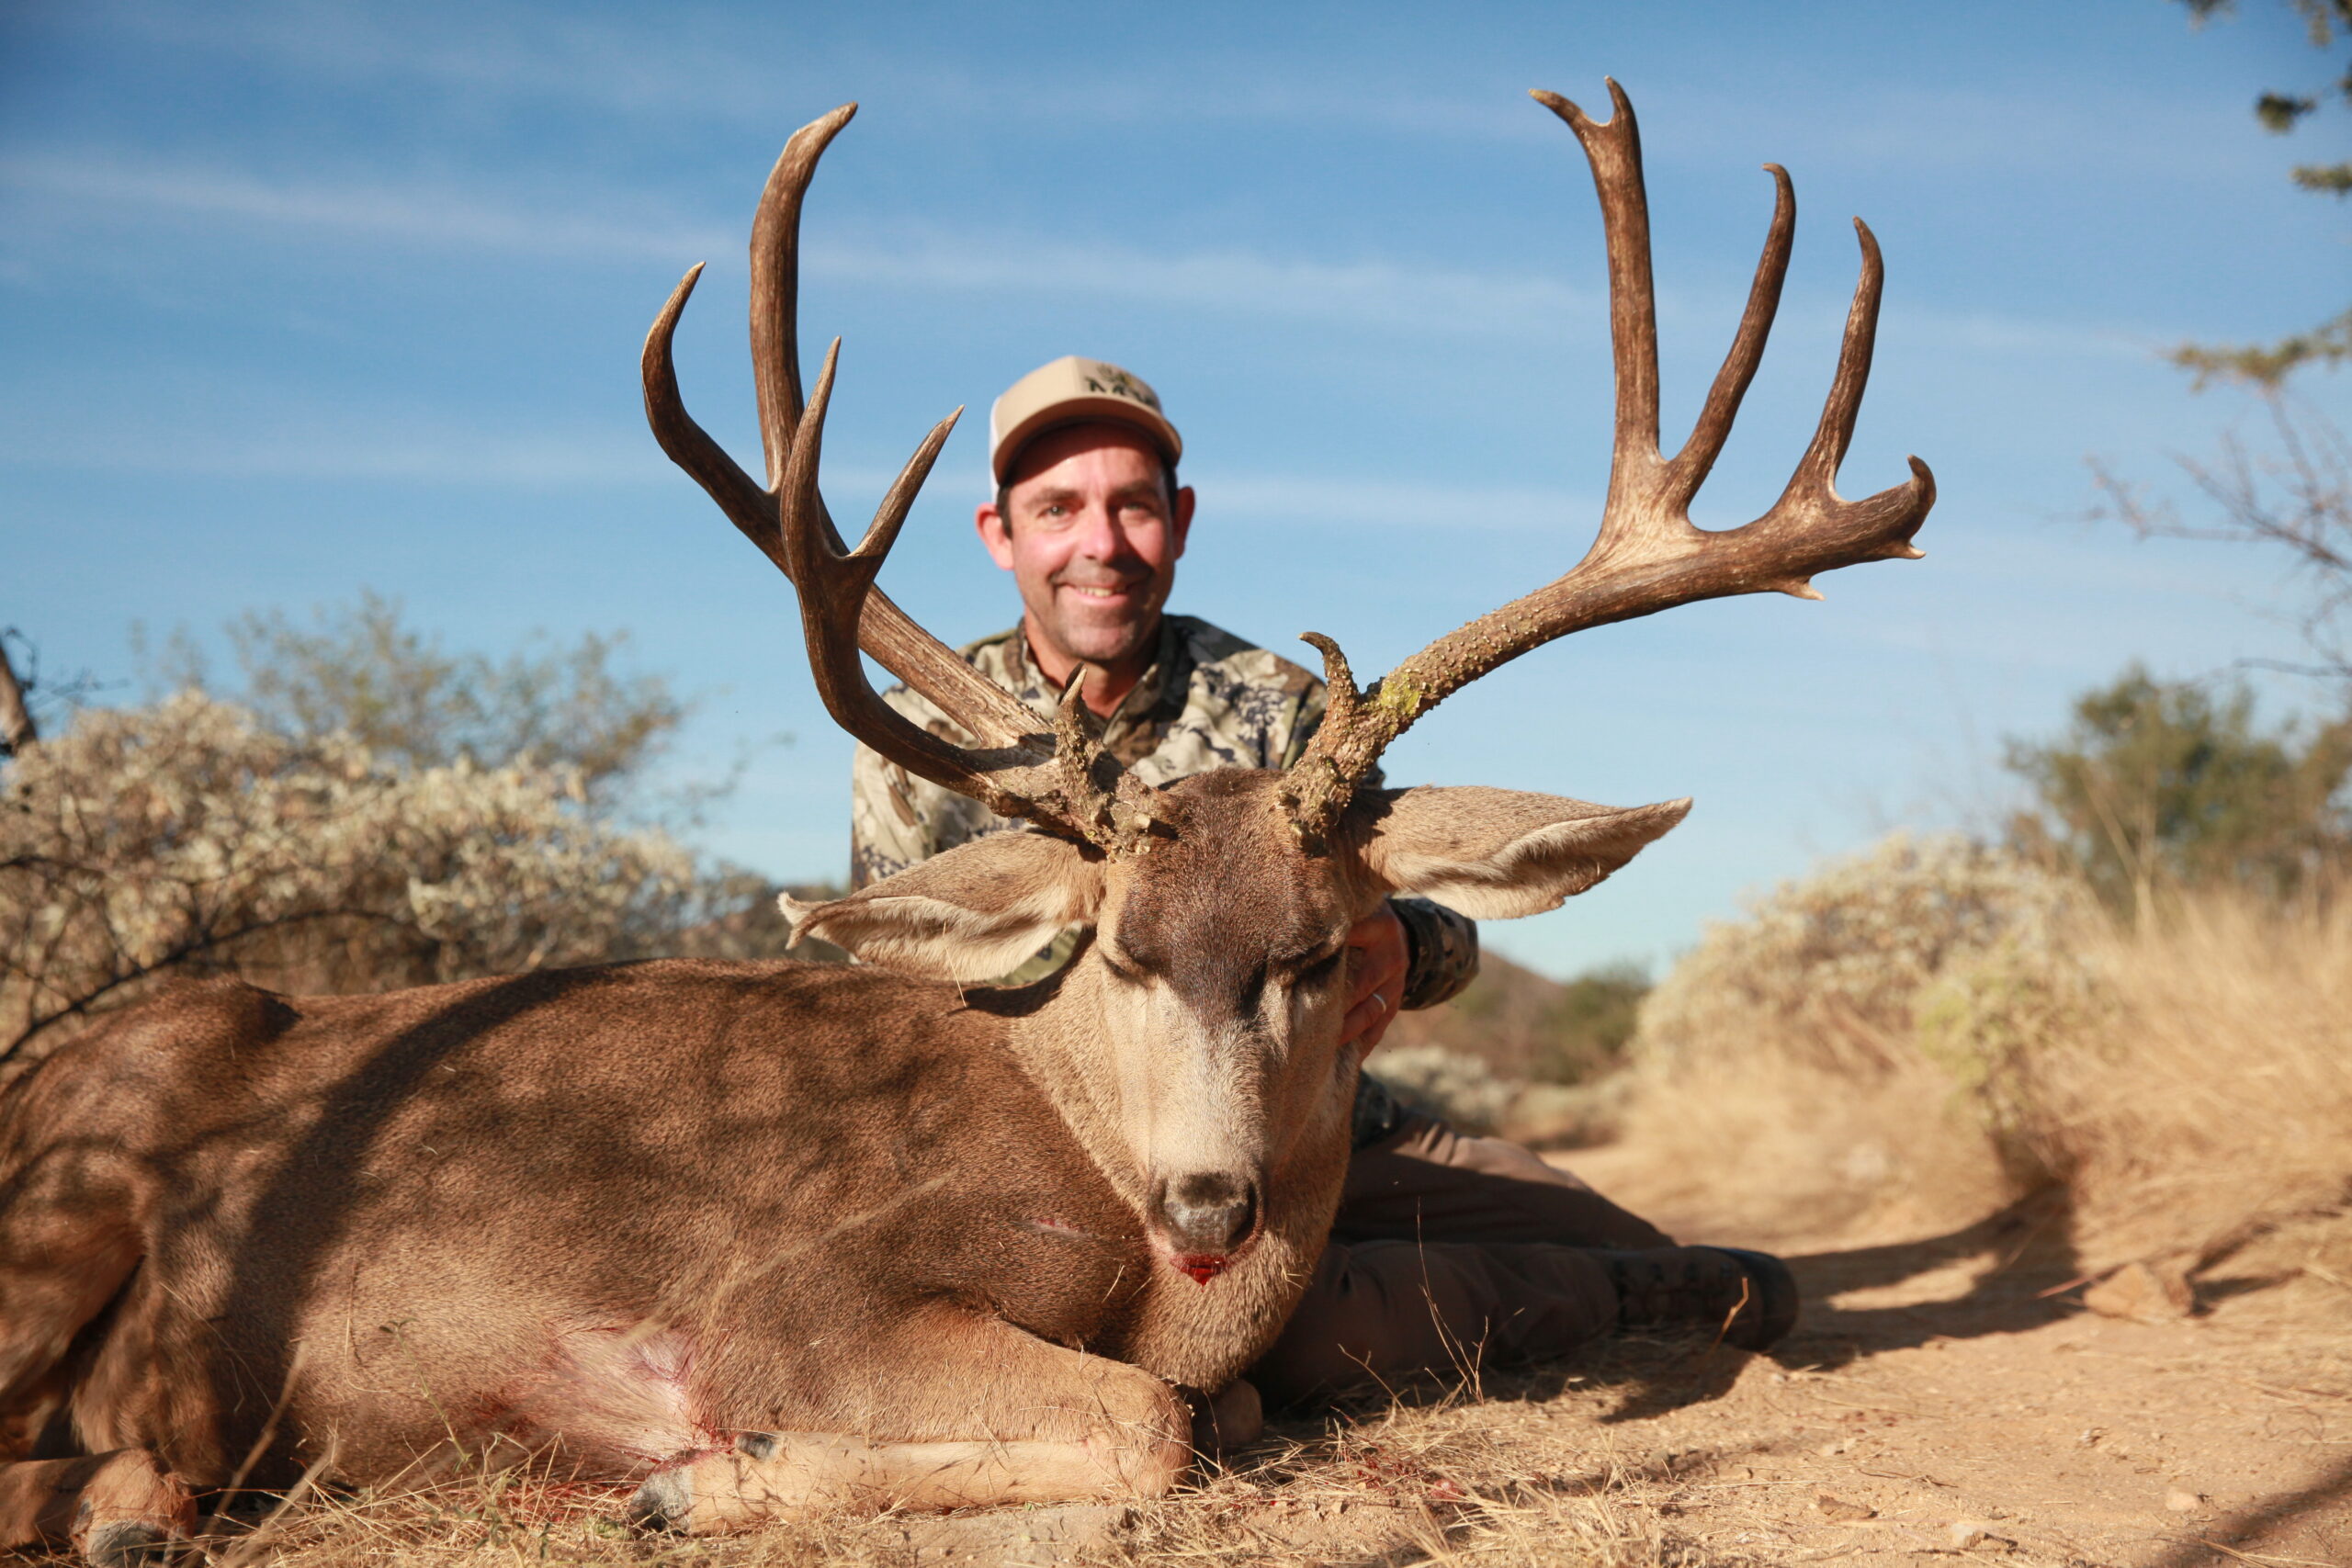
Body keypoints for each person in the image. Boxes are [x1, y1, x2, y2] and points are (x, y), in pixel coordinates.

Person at [849, 355, 1796, 1406]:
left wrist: (1404, 939)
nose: (1100, 544)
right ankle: (1569, 1299)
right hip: (1065, 1147)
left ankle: (1582, 1275)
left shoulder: (1290, 711)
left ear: (1182, 517)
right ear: (1000, 533)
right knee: (1302, 1337)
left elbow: (1433, 921)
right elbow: (896, 1001)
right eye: (1057, 508)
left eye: (1133, 506)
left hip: (1330, 1116)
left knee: (1622, 1239)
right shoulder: (927, 738)